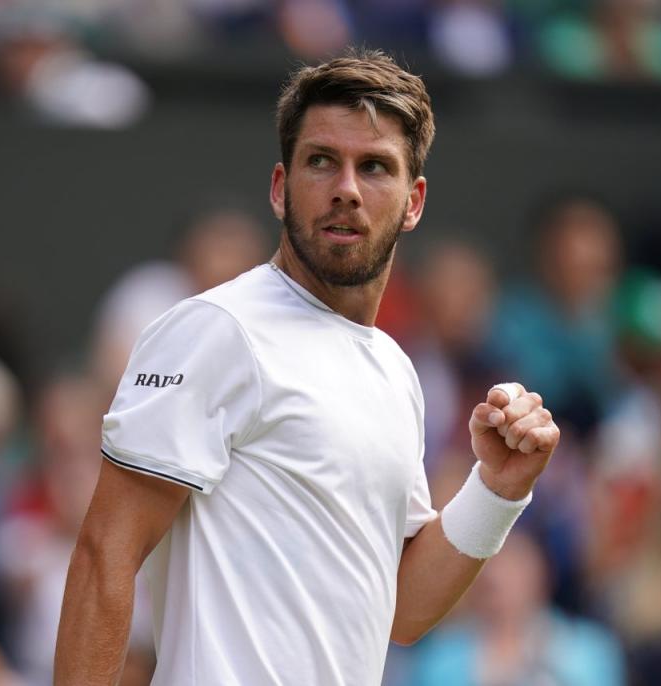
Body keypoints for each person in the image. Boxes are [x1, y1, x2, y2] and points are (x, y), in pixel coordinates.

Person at [54, 48, 560, 685]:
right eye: (322, 161)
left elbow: (399, 611)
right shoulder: (217, 330)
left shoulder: (395, 372)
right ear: (278, 187)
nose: (346, 188)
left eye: (374, 167)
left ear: (414, 202)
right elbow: (105, 556)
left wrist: (497, 489)